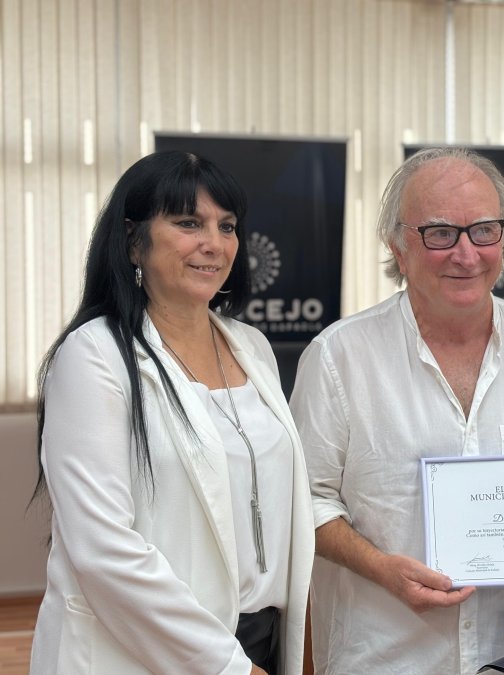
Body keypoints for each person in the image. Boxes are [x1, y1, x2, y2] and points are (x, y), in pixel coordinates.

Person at [289, 147, 504, 674]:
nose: (466, 253)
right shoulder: (340, 358)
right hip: (388, 658)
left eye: (483, 230)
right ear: (398, 246)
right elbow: (304, 501)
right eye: (439, 233)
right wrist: (381, 567)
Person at [30, 151, 315, 674]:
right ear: (135, 240)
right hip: (147, 651)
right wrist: (227, 665)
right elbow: (103, 550)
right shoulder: (94, 356)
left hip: (260, 640)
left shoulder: (252, 346)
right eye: (188, 223)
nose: (214, 242)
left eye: (226, 226)